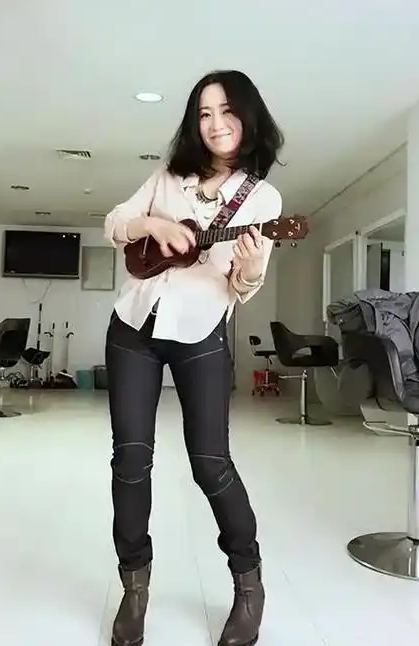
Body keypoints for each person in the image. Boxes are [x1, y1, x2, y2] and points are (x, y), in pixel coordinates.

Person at [103, 69, 284, 646]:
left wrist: (250, 269)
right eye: (204, 113)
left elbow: (242, 286)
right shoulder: (168, 175)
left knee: (211, 464)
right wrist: (152, 222)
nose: (215, 123)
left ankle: (249, 585)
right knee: (131, 461)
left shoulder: (262, 199)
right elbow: (115, 223)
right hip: (133, 327)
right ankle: (134, 587)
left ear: (248, 115)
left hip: (201, 333)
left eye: (226, 110)